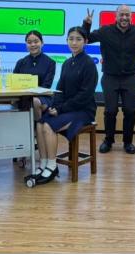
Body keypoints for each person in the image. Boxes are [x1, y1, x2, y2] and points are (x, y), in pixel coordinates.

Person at [83, 5, 135, 155]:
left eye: (127, 15)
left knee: (130, 111)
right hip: (110, 77)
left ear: (131, 17)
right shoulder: (105, 31)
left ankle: (128, 142)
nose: (124, 18)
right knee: (110, 111)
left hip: (130, 78)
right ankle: (108, 140)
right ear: (116, 16)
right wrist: (87, 24)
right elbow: (86, 39)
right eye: (121, 15)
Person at [34, 27, 98, 184]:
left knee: (48, 125)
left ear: (85, 42)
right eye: (71, 39)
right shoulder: (67, 63)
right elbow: (60, 90)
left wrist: (60, 109)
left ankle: (52, 166)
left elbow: (84, 95)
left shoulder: (89, 64)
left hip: (84, 110)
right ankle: (43, 163)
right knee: (40, 123)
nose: (74, 42)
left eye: (78, 39)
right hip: (67, 108)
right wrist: (54, 106)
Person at [13, 30, 56, 121]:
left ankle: (37, 127)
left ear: (42, 43)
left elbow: (46, 85)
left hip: (42, 96)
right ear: (26, 44)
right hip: (23, 96)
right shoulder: (21, 62)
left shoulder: (50, 63)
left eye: (36, 42)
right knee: (15, 101)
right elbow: (14, 83)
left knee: (35, 101)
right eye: (29, 42)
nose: (32, 45)